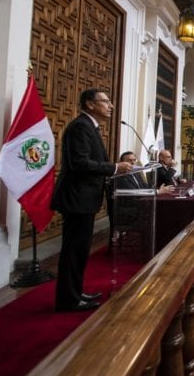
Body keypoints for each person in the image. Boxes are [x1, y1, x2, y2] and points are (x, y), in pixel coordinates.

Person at [52, 89, 133, 312]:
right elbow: (80, 163)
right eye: (105, 101)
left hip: (84, 199)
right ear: (90, 104)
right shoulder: (80, 127)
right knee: (73, 251)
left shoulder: (90, 127)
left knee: (79, 250)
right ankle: (68, 300)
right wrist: (115, 167)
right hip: (77, 198)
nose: (110, 106)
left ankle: (75, 293)